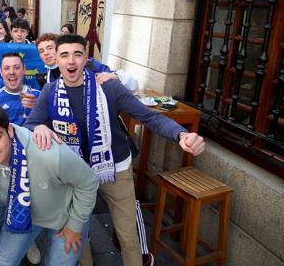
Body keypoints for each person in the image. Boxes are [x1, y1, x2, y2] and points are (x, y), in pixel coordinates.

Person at [24, 34, 206, 266]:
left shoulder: (108, 87)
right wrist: (39, 126)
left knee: (127, 235)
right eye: (65, 55)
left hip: (115, 169)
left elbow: (148, 116)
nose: (71, 61)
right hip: (74, 174)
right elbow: (30, 124)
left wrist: (181, 134)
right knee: (79, 231)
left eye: (77, 54)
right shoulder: (50, 92)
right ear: (56, 60)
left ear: (86, 58)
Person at [0, 104, 99, 266]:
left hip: (66, 215)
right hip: (23, 216)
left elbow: (88, 183)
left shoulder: (47, 152)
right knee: (1, 263)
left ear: (10, 131)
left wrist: (75, 225)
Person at [34, 33, 139, 92]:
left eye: (50, 48)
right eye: (41, 51)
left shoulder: (87, 64)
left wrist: (114, 76)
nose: (46, 53)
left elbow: (133, 84)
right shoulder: (45, 76)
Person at [0, 53, 39, 126]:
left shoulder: (39, 96)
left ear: (24, 70)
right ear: (1, 72)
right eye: (6, 68)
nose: (12, 72)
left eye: (16, 67)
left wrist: (38, 108)